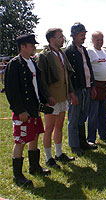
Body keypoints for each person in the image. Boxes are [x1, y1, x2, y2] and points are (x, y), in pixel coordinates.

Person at [4, 34, 51, 187]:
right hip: (23, 111)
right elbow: (11, 90)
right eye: (31, 45)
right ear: (22, 46)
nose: (33, 48)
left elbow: (36, 86)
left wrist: (45, 100)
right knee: (21, 141)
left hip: (34, 108)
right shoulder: (14, 64)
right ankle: (17, 176)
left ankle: (34, 166)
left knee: (35, 136)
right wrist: (19, 110)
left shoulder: (32, 62)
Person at [37, 28, 77, 169]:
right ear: (52, 39)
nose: (62, 38)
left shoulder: (61, 53)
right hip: (52, 98)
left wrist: (71, 92)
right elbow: (41, 80)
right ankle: (48, 158)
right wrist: (48, 97)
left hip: (63, 96)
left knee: (59, 126)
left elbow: (67, 75)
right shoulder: (44, 56)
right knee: (49, 128)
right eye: (60, 36)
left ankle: (59, 154)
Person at [65, 22, 97, 156]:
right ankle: (74, 145)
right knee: (74, 117)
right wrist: (72, 93)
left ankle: (82, 142)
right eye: (81, 35)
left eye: (84, 35)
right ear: (74, 35)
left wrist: (92, 85)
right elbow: (68, 74)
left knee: (83, 116)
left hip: (86, 87)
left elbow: (88, 68)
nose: (84, 37)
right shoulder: (69, 51)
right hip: (76, 89)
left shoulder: (83, 50)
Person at [87, 31, 106, 144]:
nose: (100, 42)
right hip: (95, 86)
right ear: (92, 40)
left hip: (104, 86)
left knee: (103, 113)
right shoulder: (90, 51)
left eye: (101, 39)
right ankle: (91, 139)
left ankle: (104, 134)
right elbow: (88, 70)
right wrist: (91, 86)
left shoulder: (104, 51)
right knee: (93, 114)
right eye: (97, 39)